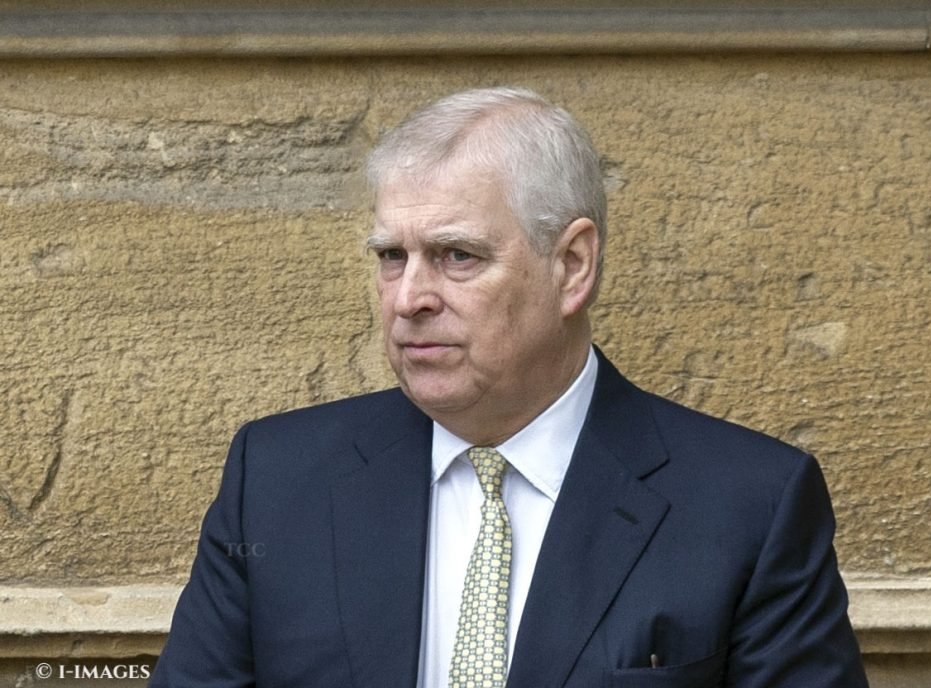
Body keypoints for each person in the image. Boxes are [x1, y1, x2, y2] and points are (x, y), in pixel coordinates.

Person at [150, 87, 869, 687]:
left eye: (455, 255)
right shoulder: (277, 480)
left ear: (573, 266)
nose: (408, 297)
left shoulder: (750, 506)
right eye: (391, 257)